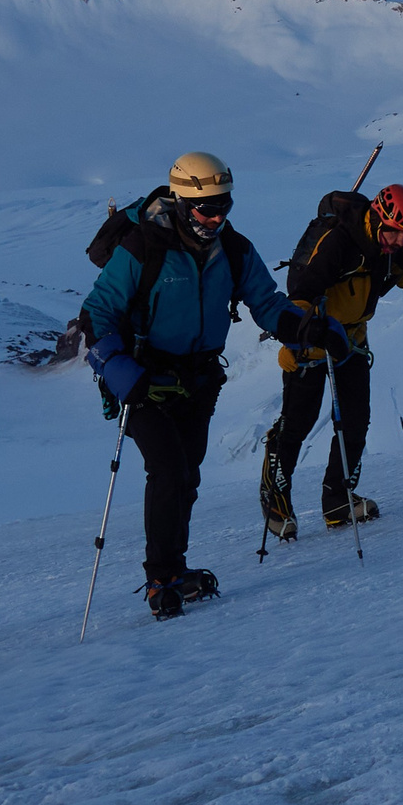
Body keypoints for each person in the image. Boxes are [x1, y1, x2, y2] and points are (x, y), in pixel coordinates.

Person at [82, 152, 330, 617]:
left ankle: (173, 569)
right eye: (206, 208)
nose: (216, 218)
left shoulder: (233, 249)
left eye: (223, 206)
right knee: (169, 470)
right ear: (181, 202)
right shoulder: (143, 246)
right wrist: (116, 369)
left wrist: (305, 328)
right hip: (143, 381)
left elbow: (266, 302)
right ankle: (161, 579)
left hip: (198, 381)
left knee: (188, 474)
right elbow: (97, 313)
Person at [259, 182, 403, 539]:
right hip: (315, 339)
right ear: (379, 218)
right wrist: (295, 340)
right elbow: (303, 293)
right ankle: (276, 500)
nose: (400, 241)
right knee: (298, 422)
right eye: (396, 232)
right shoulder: (338, 243)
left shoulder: (390, 250)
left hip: (352, 342)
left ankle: (337, 500)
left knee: (355, 420)